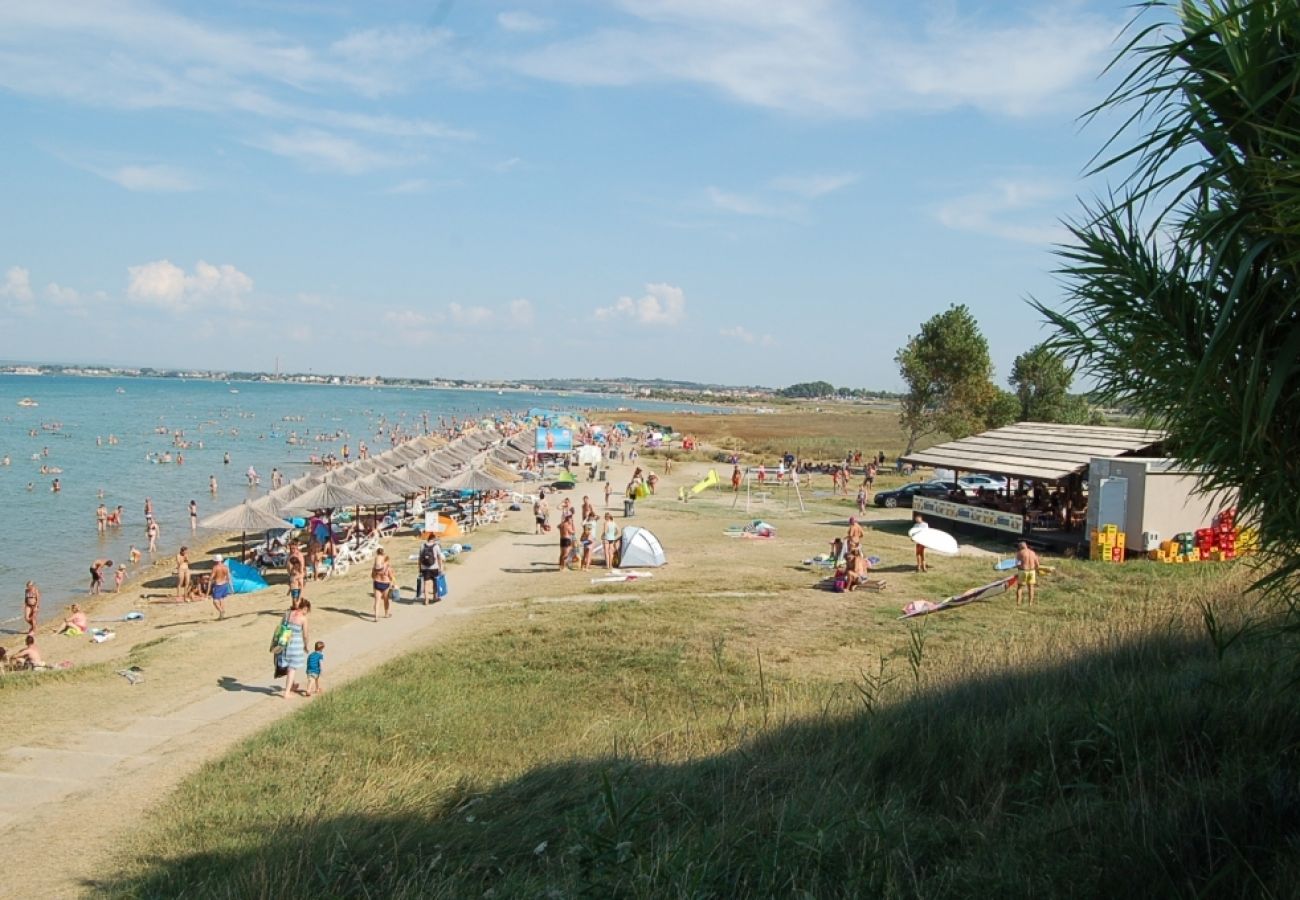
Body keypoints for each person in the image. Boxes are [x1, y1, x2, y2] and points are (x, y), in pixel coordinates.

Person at [278, 598, 311, 698]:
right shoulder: (303, 619)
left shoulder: (287, 614)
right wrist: (306, 645)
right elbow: (305, 635)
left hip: (285, 642)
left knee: (288, 666)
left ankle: (292, 685)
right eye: (307, 610)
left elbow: (281, 627)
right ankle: (287, 692)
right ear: (305, 608)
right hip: (296, 645)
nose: (307, 613)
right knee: (292, 668)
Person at [417, 535, 444, 605]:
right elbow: (439, 558)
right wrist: (441, 568)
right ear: (433, 539)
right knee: (435, 582)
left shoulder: (422, 546)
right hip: (434, 567)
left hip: (424, 568)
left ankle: (426, 600)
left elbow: (420, 558)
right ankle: (435, 597)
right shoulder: (436, 546)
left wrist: (419, 568)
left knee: (426, 584)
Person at [1015, 541, 1041, 606]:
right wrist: (1037, 571)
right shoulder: (1033, 552)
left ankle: (1018, 603)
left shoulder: (1020, 553)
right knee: (1031, 587)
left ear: (1020, 547)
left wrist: (1019, 569)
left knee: (1020, 587)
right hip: (1032, 571)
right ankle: (1030, 603)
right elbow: (1037, 564)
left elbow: (1017, 564)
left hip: (1023, 571)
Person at [371, 548, 394, 621]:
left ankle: (376, 617)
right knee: (386, 600)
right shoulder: (387, 566)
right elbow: (391, 576)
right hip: (385, 584)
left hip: (377, 583)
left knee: (377, 601)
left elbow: (372, 576)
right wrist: (392, 583)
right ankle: (386, 613)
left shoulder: (375, 566)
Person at [209, 554, 232, 620]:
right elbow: (229, 578)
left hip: (218, 585)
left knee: (215, 601)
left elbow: (211, 577)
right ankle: (222, 616)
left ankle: (221, 611)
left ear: (216, 561)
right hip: (224, 584)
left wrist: (210, 580)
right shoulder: (226, 567)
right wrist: (231, 587)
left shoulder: (215, 567)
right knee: (221, 599)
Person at [558, 505, 576, 570]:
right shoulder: (567, 525)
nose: (571, 520)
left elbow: (558, 526)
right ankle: (563, 567)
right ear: (568, 518)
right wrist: (573, 524)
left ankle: (560, 566)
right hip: (567, 539)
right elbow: (573, 532)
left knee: (561, 554)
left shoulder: (562, 524)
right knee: (566, 554)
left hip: (562, 539)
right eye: (570, 519)